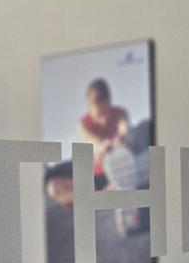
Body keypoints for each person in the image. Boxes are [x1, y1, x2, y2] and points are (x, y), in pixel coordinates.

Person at [46, 78, 131, 206]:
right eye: (98, 114)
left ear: (108, 103)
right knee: (53, 187)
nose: (102, 120)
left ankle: (105, 193)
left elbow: (124, 126)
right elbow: (93, 142)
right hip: (94, 175)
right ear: (89, 107)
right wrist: (103, 145)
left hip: (118, 167)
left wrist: (121, 136)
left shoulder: (120, 113)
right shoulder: (83, 124)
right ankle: (95, 197)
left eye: (104, 112)